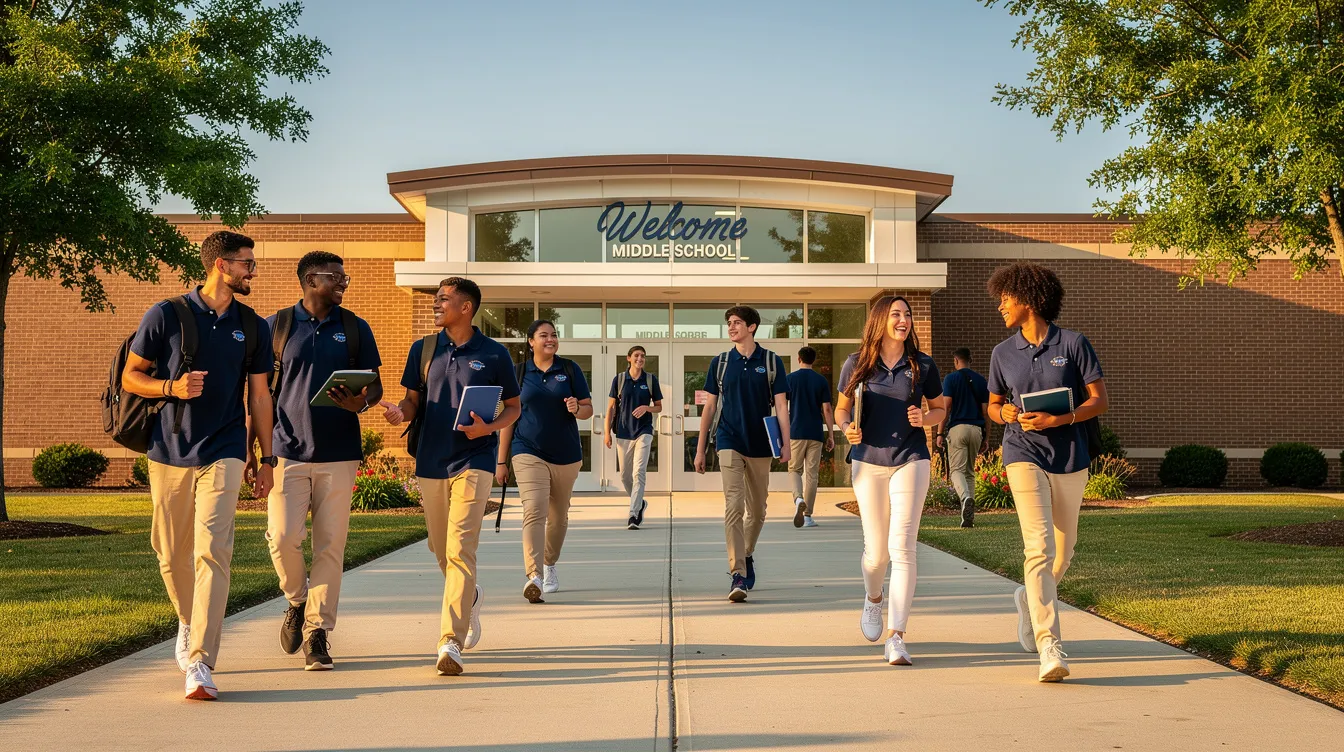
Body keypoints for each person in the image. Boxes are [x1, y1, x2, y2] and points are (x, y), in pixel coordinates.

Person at [121, 230, 275, 700]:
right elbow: (132, 376)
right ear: (221, 265)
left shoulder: (252, 326)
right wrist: (172, 388)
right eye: (247, 263)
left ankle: (202, 661)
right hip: (168, 449)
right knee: (170, 554)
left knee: (214, 547)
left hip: (224, 447)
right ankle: (187, 621)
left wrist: (265, 457)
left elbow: (260, 394)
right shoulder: (166, 314)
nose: (253, 270)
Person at [382, 277, 521, 677]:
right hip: (430, 459)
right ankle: (470, 596)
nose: (436, 305)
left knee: (461, 547)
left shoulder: (494, 354)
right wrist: (400, 414)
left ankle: (450, 640)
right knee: (440, 548)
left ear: (466, 307)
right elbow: (412, 402)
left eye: (444, 299)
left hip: (474, 458)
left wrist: (488, 430)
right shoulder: (423, 349)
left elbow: (512, 408)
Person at [259, 251, 382, 671]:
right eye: (336, 277)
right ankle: (297, 599)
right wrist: (254, 450)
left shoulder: (355, 327)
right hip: (285, 452)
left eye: (345, 276)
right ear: (311, 279)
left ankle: (317, 631)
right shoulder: (275, 327)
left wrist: (359, 403)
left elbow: (376, 387)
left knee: (331, 546)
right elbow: (256, 395)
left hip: (340, 453)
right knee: (282, 537)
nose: (344, 283)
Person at [986, 262, 1108, 683]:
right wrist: (1002, 412)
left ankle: (1028, 596)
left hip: (1071, 454)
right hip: (1022, 452)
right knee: (1037, 547)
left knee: (1063, 551)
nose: (1000, 304)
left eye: (1006, 297)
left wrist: (1061, 419)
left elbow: (1099, 401)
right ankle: (1049, 645)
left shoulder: (1073, 344)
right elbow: (993, 404)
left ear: (1029, 298)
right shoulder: (1002, 353)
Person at [833, 295, 946, 666]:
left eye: (908, 314)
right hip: (868, 461)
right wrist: (846, 428)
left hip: (911, 459)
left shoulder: (923, 365)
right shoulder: (856, 363)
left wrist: (925, 420)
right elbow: (841, 409)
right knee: (877, 553)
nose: (905, 319)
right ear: (881, 319)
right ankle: (873, 599)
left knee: (904, 548)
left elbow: (940, 408)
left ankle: (897, 636)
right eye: (896, 313)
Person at [694, 306, 790, 603]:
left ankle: (746, 554)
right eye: (729, 323)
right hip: (728, 439)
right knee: (734, 507)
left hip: (761, 445)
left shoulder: (771, 362)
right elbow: (709, 407)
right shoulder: (721, 363)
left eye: (737, 323)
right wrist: (700, 448)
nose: (731, 327)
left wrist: (785, 444)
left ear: (752, 327)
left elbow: (781, 406)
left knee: (758, 511)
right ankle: (737, 574)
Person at [497, 320, 593, 602]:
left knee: (558, 517)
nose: (550, 339)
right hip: (527, 451)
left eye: (553, 335)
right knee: (534, 510)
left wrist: (578, 409)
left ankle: (549, 564)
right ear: (531, 342)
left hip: (566, 454)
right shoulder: (518, 373)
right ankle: (534, 575)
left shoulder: (569, 369)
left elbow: (588, 409)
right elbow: (508, 419)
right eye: (543, 335)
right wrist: (501, 462)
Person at [604, 345, 662, 530]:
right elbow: (611, 408)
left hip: (644, 431)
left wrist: (647, 408)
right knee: (625, 476)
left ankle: (633, 514)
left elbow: (659, 406)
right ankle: (640, 503)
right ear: (629, 358)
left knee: (639, 472)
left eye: (643, 356)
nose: (640, 359)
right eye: (636, 355)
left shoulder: (651, 380)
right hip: (623, 432)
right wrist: (607, 433)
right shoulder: (620, 379)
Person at [934, 347, 989, 528]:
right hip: (976, 429)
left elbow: (946, 407)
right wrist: (986, 437)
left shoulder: (951, 379)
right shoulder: (981, 381)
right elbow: (986, 412)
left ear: (956, 361)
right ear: (970, 359)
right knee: (970, 472)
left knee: (957, 470)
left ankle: (965, 498)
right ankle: (969, 517)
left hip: (957, 429)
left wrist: (940, 433)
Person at [786, 346, 834, 528]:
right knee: (812, 474)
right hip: (815, 433)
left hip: (796, 431)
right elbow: (827, 409)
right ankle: (807, 516)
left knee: (794, 470)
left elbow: (781, 405)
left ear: (799, 359)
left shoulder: (790, 379)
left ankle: (798, 499)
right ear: (813, 360)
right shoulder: (820, 381)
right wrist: (830, 434)